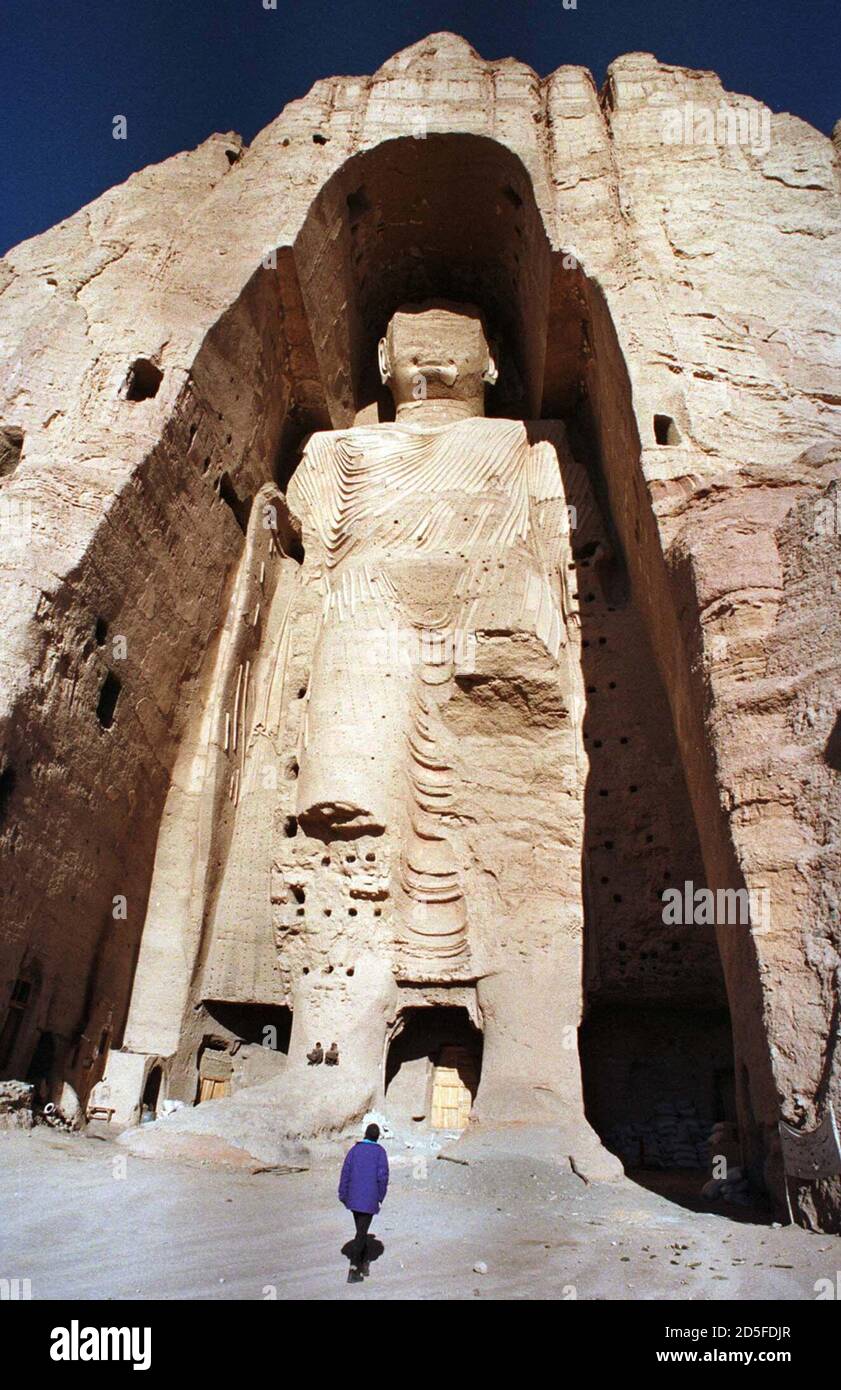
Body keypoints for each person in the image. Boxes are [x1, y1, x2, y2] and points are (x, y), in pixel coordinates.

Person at [338, 1122, 389, 1281]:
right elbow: (382, 1177)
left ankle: (364, 1262)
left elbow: (345, 1172)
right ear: (377, 1137)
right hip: (369, 1200)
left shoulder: (354, 1150)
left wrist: (343, 1194)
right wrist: (380, 1197)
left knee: (361, 1230)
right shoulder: (380, 1152)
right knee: (361, 1233)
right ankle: (354, 1269)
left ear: (365, 1135)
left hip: (353, 1199)